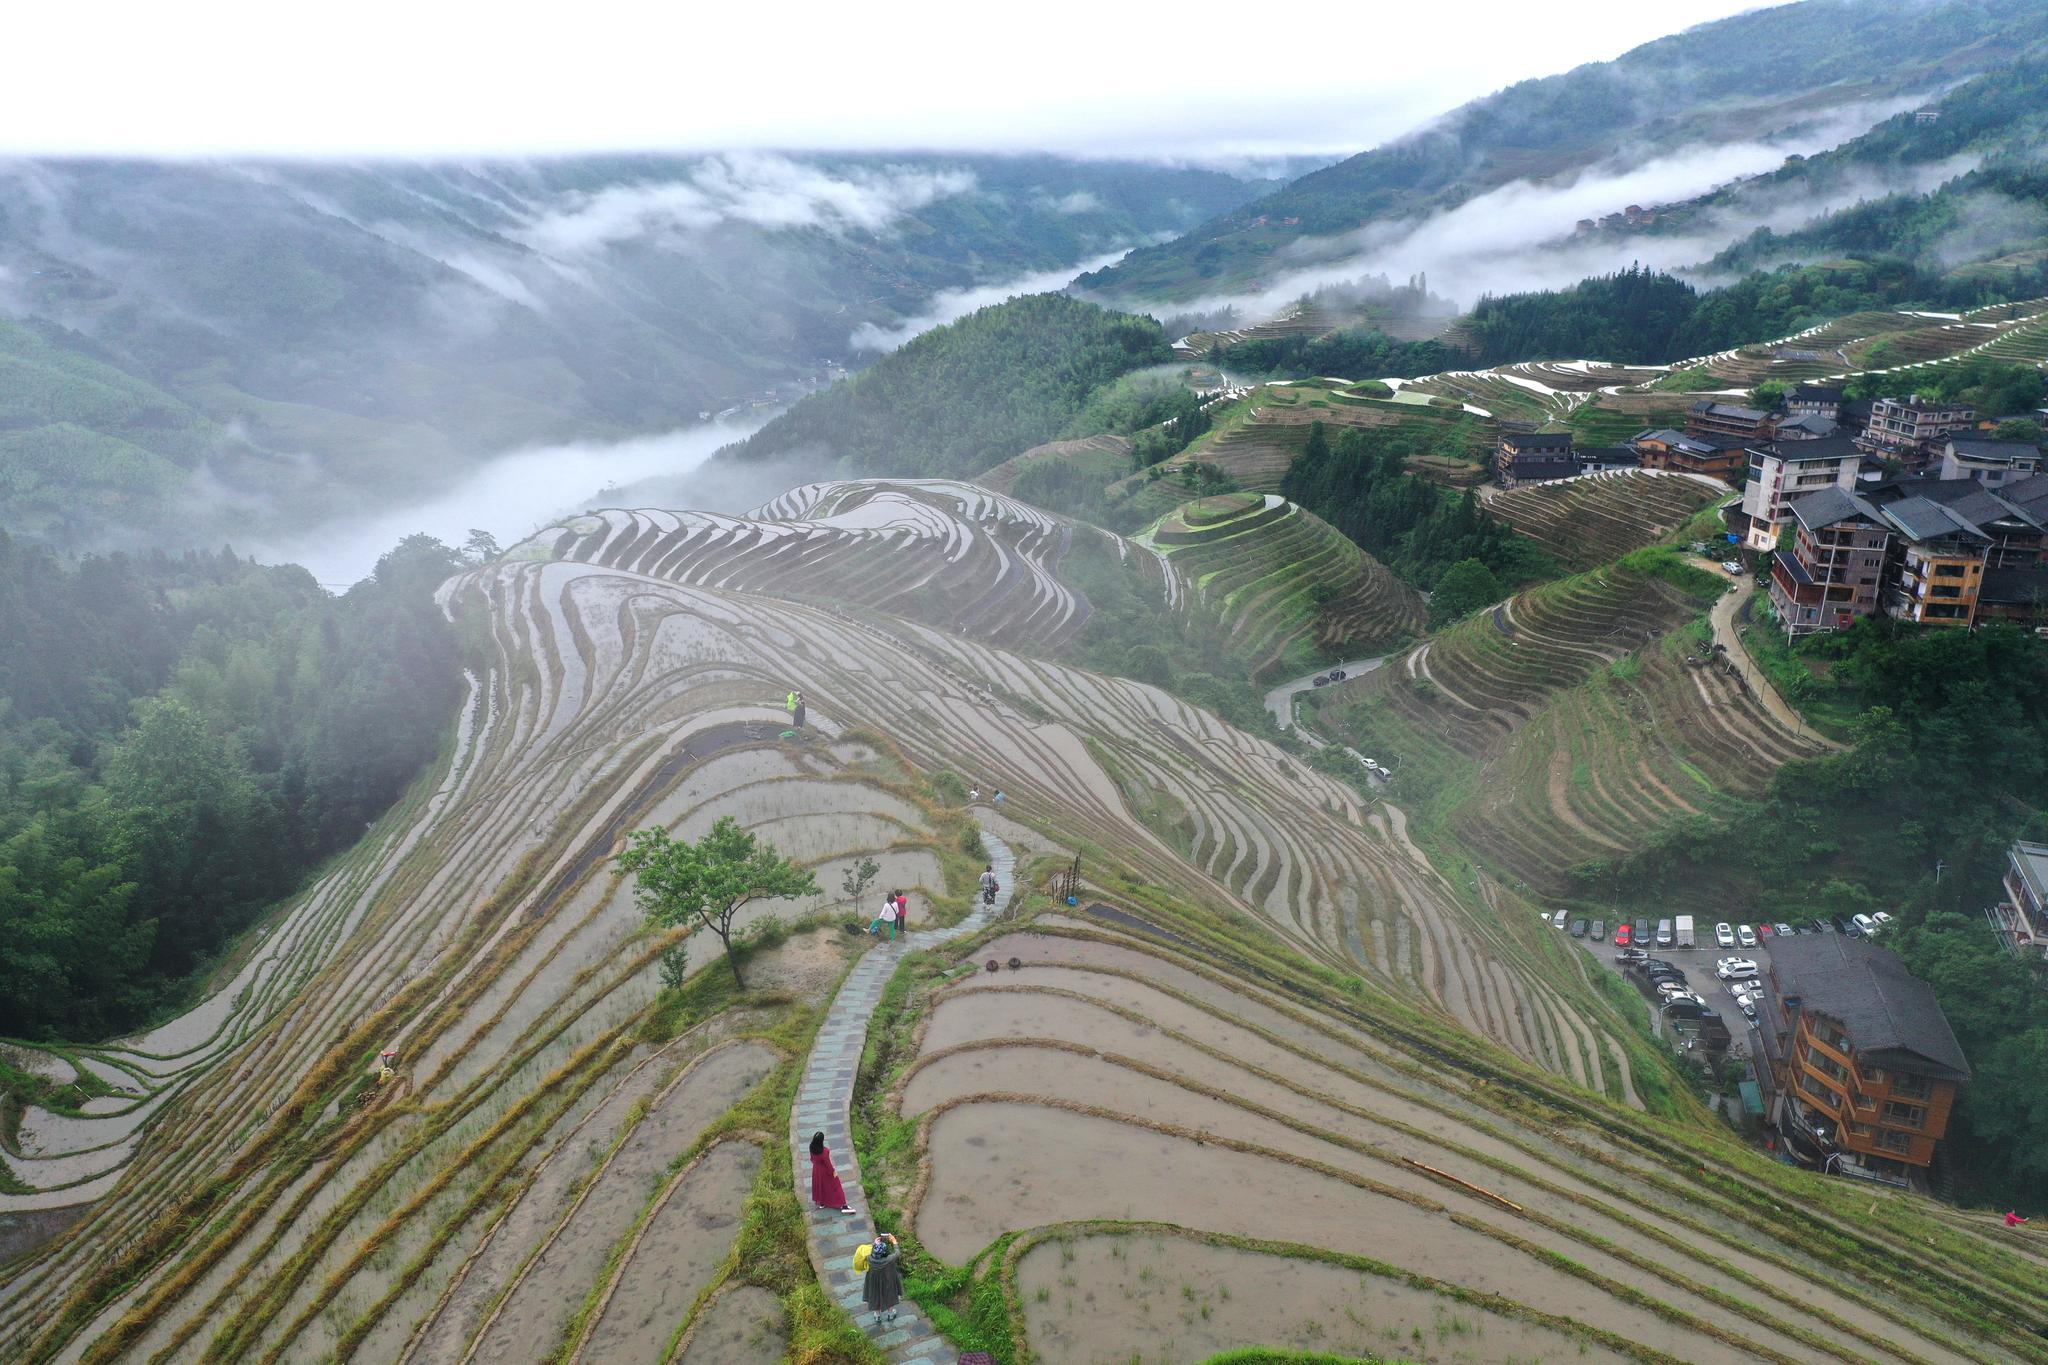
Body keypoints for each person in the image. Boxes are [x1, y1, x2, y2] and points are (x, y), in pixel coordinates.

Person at [861, 1230, 903, 1323]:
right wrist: (894, 1241)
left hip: (874, 1282)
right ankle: (890, 1314)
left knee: (875, 1295)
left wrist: (874, 1244)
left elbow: (872, 1251)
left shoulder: (869, 1258)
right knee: (890, 1295)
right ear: (884, 1252)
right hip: (887, 1280)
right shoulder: (888, 1260)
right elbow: (897, 1253)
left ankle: (877, 1315)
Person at [809, 1132, 856, 1215]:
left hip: (816, 1170)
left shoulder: (811, 1147)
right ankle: (843, 1206)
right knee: (836, 1186)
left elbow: (812, 1159)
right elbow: (828, 1165)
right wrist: (833, 1172)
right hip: (825, 1172)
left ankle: (822, 1203)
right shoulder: (824, 1151)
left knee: (820, 1186)